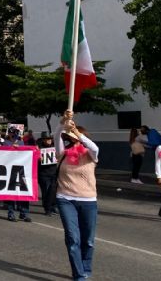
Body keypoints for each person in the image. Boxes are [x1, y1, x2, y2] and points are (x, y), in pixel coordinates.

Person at [55, 110, 99, 281]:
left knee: (88, 240)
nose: (69, 140)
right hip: (65, 198)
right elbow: (56, 135)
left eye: (70, 137)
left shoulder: (90, 154)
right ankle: (79, 274)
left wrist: (77, 133)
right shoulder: (63, 153)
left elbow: (94, 147)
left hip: (88, 200)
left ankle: (86, 267)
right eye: (68, 137)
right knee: (73, 238)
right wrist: (63, 122)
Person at [3, 128, 30, 222]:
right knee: (12, 192)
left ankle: (24, 213)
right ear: (9, 134)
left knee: (24, 192)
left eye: (15, 133)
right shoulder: (5, 143)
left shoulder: (21, 142)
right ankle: (11, 213)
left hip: (22, 170)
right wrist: (11, 148)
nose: (14, 134)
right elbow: (3, 155)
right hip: (11, 170)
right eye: (12, 133)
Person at [38, 131, 58, 216]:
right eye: (46, 139)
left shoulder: (55, 147)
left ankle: (53, 206)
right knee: (46, 192)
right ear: (43, 140)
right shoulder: (39, 148)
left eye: (50, 139)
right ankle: (47, 208)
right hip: (43, 174)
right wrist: (39, 158)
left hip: (53, 173)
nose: (49, 140)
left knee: (53, 191)